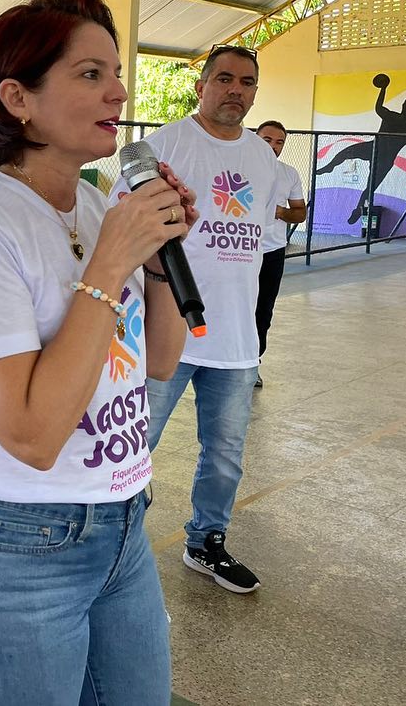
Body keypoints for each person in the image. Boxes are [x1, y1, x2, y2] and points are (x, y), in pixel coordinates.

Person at [0, 0, 197, 704]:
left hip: (123, 523)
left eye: (117, 72)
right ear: (18, 98)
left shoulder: (102, 206)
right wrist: (108, 264)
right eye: (89, 73)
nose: (119, 90)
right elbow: (33, 435)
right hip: (16, 542)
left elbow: (160, 359)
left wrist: (161, 255)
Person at [111, 45, 280, 595]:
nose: (237, 89)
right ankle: (113, 543)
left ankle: (206, 542)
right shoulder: (165, 145)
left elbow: (261, 240)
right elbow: (120, 223)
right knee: (135, 446)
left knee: (226, 456)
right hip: (169, 335)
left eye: (247, 82)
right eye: (225, 79)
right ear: (202, 86)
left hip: (235, 340)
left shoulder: (262, 156)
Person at [316, 73, 406, 225]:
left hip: (384, 158)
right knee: (346, 152)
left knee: (370, 187)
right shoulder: (398, 118)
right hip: (374, 148)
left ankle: (359, 209)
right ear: (404, 105)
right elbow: (379, 108)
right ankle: (330, 167)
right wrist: (383, 89)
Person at [253, 120, 307, 387]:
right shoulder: (241, 167)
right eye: (267, 140)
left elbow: (300, 212)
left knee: (263, 310)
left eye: (279, 142)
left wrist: (280, 212)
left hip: (272, 253)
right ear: (254, 138)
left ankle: (253, 364)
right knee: (231, 307)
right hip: (238, 251)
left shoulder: (289, 174)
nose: (273, 147)